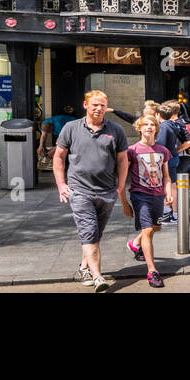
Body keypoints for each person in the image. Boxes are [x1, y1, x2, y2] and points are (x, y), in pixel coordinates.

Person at [53, 90, 129, 292]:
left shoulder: (116, 130)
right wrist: (61, 184)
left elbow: (123, 160)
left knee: (95, 234)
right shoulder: (71, 128)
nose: (98, 108)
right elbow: (59, 157)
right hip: (79, 190)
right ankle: (97, 277)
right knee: (89, 232)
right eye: (94, 104)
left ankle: (83, 267)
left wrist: (121, 186)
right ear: (85, 105)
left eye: (102, 105)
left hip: (107, 191)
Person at [121, 114, 172, 288]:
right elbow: (121, 178)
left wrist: (168, 193)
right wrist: (124, 202)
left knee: (156, 227)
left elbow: (166, 176)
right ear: (139, 128)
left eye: (152, 124)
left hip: (158, 195)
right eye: (145, 124)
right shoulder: (132, 150)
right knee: (148, 229)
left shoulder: (163, 150)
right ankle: (152, 271)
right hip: (139, 194)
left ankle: (135, 243)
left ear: (156, 128)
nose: (149, 127)